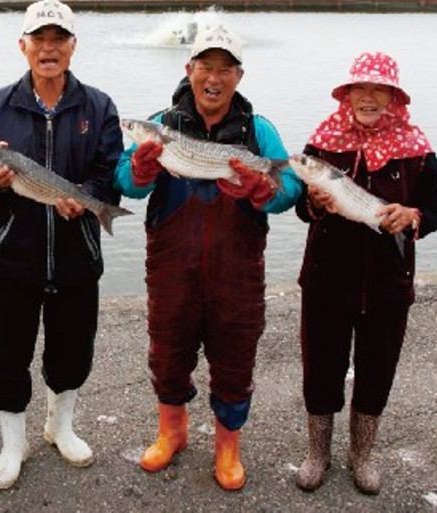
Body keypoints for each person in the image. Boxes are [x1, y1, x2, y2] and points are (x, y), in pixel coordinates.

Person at [114, 25, 302, 490]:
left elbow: (291, 189)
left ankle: (227, 446)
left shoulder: (259, 131)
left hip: (237, 268)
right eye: (205, 67)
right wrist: (138, 169)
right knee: (167, 349)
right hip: (171, 266)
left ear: (239, 75)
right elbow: (123, 181)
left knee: (236, 356)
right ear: (189, 70)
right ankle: (171, 432)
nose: (213, 78)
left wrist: (265, 192)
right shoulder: (162, 124)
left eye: (224, 69)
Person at [0, 0, 124, 490]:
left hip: (78, 256)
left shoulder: (98, 106)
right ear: (23, 46)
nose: (48, 49)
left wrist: (90, 200)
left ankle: (61, 426)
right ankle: (14, 442)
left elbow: (108, 173)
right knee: (7, 355)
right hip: (13, 259)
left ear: (73, 46)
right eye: (39, 39)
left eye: (59, 39)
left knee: (72, 350)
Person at [293, 52, 437, 495]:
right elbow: (302, 209)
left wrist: (411, 215)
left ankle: (361, 456)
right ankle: (317, 453)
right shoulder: (321, 146)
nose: (369, 97)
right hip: (325, 279)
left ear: (394, 97)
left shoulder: (418, 151)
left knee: (377, 370)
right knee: (321, 367)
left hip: (388, 285)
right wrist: (312, 204)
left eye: (380, 89)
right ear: (348, 94)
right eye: (361, 88)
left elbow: (434, 213)